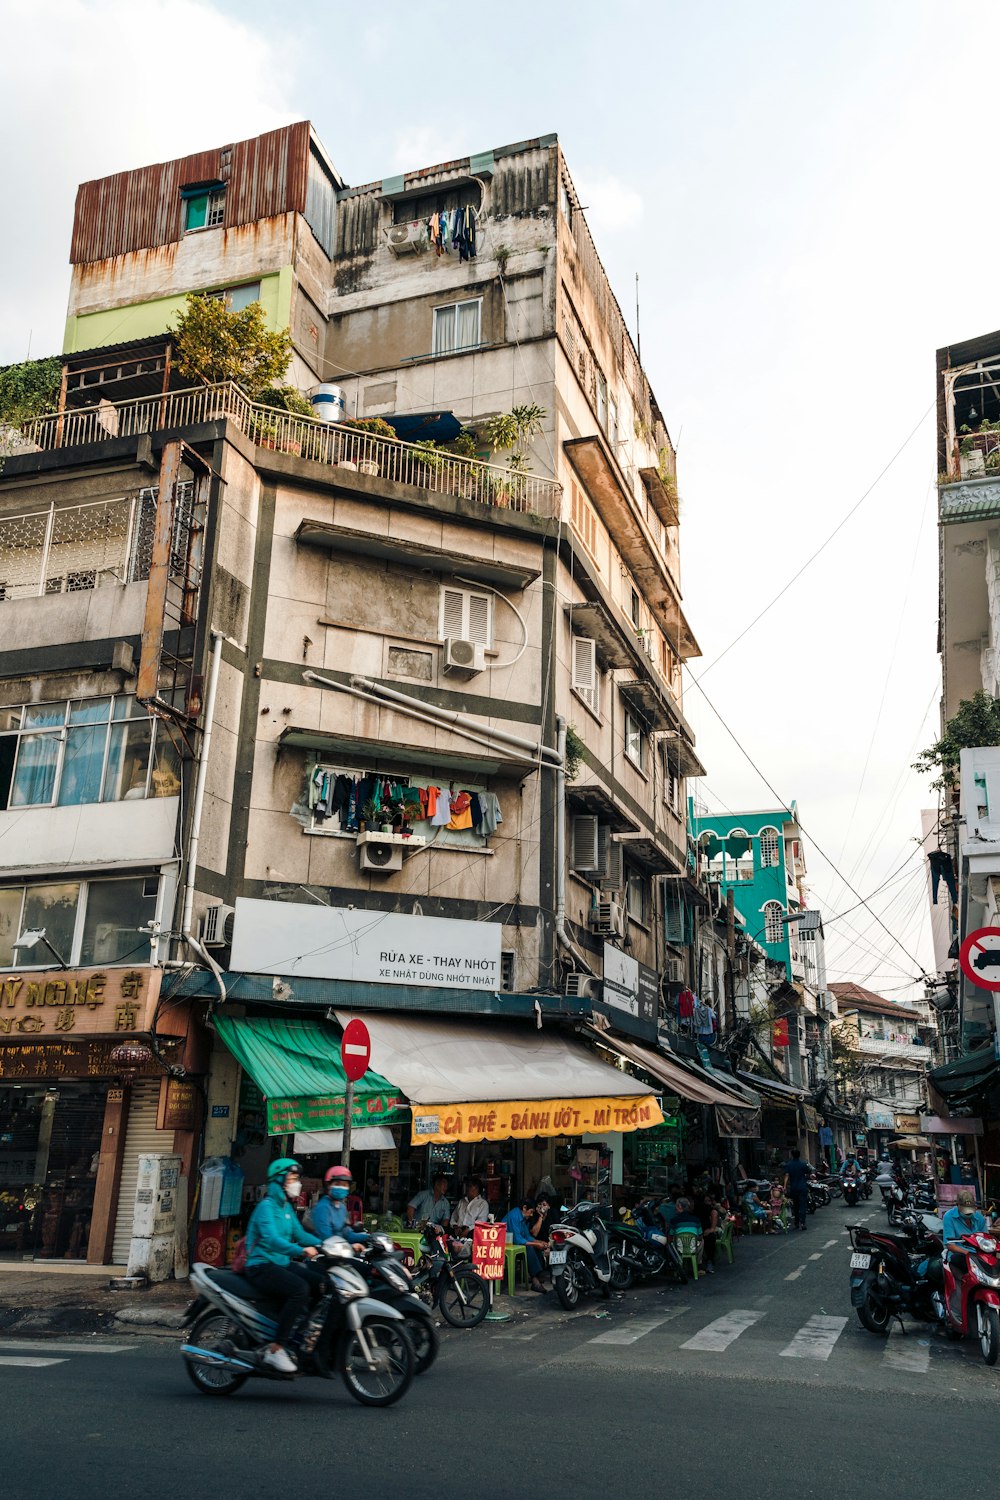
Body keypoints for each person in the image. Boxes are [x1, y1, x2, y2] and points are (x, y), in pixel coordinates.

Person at [244, 1158, 324, 1374]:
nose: (296, 1183)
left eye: (297, 1178)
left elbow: (299, 1234)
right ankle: (276, 1348)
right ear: (279, 1179)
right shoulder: (266, 1207)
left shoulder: (286, 1207)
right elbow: (272, 1240)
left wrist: (325, 1244)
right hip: (261, 1265)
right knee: (300, 1289)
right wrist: (300, 1251)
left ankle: (302, 1334)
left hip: (280, 1263)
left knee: (321, 1283)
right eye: (293, 1178)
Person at [312, 1165, 370, 1246]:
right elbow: (326, 1238)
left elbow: (347, 1234)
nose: (341, 1187)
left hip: (340, 1250)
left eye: (344, 1185)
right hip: (325, 1252)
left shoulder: (342, 1208)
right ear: (328, 1185)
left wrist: (369, 1237)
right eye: (337, 1184)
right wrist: (351, 1247)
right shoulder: (322, 1208)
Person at [504, 1195, 551, 1292]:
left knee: (536, 1247)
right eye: (531, 1212)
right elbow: (518, 1240)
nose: (531, 1215)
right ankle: (535, 1280)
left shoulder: (523, 1218)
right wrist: (536, 1244)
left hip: (514, 1243)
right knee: (529, 1248)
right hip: (506, 1245)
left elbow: (527, 1236)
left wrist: (539, 1242)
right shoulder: (514, 1216)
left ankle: (538, 1275)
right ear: (524, 1208)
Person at [783, 1149, 811, 1231]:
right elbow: (809, 1172)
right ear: (799, 1155)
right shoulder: (803, 1164)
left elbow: (787, 1176)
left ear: (791, 1155)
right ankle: (803, 1223)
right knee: (802, 1205)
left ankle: (796, 1222)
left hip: (794, 1188)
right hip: (802, 1187)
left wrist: (784, 1186)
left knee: (795, 1206)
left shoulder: (789, 1165)